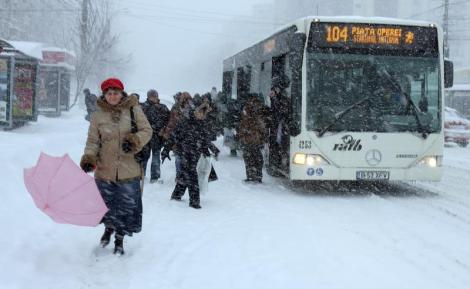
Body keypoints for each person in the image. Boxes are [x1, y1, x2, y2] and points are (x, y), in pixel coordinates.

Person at [80, 78, 152, 255]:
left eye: (116, 93)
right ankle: (108, 228)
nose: (113, 96)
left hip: (129, 169)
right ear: (104, 95)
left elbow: (147, 131)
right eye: (109, 93)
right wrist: (89, 156)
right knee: (108, 205)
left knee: (126, 206)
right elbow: (93, 140)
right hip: (105, 170)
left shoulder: (133, 110)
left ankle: (120, 238)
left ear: (122, 94)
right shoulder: (98, 115)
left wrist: (135, 140)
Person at [161, 92, 210, 209]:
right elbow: (174, 135)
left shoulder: (201, 123)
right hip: (184, 152)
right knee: (192, 175)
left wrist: (208, 149)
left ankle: (176, 194)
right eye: (200, 111)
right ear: (195, 110)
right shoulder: (185, 121)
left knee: (184, 174)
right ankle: (194, 201)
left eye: (204, 112)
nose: (202, 114)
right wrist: (166, 150)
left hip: (195, 152)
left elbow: (204, 138)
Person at [141, 89, 170, 183]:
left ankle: (155, 177)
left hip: (157, 136)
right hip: (145, 136)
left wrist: (161, 129)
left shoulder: (163, 107)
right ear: (148, 97)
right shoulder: (143, 107)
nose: (153, 98)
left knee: (156, 157)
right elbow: (140, 121)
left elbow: (167, 120)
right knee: (144, 157)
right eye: (151, 96)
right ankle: (141, 175)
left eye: (155, 96)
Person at [239, 94, 267, 183]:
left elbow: (243, 124)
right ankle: (257, 176)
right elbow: (262, 126)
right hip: (255, 138)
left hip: (249, 138)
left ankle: (251, 175)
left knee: (248, 157)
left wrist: (242, 134)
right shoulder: (259, 110)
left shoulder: (247, 110)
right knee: (257, 157)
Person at [268, 74, 291, 175]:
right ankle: (277, 163)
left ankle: (278, 164)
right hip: (278, 125)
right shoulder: (280, 96)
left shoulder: (283, 96)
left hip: (280, 125)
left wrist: (275, 99)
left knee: (279, 144)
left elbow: (282, 110)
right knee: (276, 144)